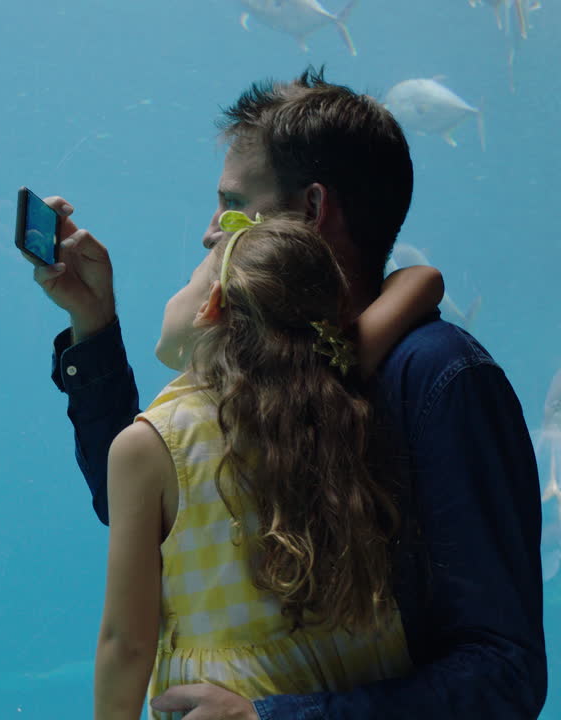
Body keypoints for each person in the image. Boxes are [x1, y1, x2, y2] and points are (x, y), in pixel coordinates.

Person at [33, 67, 546, 719]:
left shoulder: (440, 378)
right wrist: (94, 325)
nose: (210, 233)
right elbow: (148, 508)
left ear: (311, 209)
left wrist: (272, 717)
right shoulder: (264, 370)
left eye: (232, 204)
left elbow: (503, 672)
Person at [94, 211, 440, 719]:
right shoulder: (345, 394)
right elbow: (422, 279)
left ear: (212, 305)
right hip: (359, 688)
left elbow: (126, 643)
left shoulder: (149, 448)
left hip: (228, 699)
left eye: (187, 283)